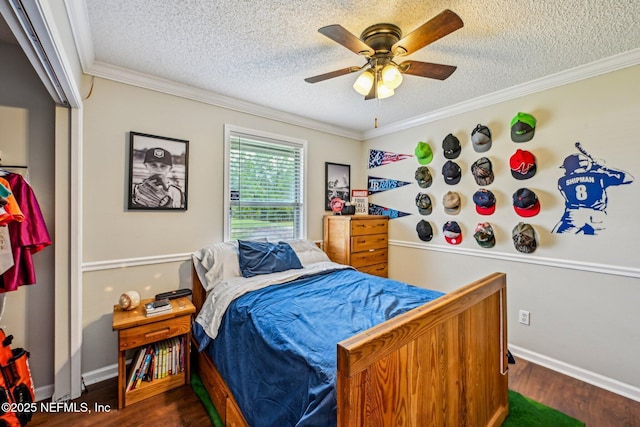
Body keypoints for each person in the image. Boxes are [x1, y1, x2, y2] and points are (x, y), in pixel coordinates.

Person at [553, 149, 633, 235]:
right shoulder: (599, 176)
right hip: (598, 216)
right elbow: (628, 178)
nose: (565, 171)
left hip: (573, 216)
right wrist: (604, 168)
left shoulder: (562, 181)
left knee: (556, 236)